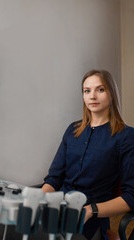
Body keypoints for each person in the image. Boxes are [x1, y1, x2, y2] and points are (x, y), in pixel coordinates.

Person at [42, 70, 134, 240]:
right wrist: (39, 200)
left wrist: (91, 210)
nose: (92, 96)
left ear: (111, 94)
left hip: (91, 217)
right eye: (87, 90)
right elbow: (54, 178)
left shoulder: (126, 136)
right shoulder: (72, 130)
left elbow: (131, 197)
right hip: (60, 207)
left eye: (100, 90)